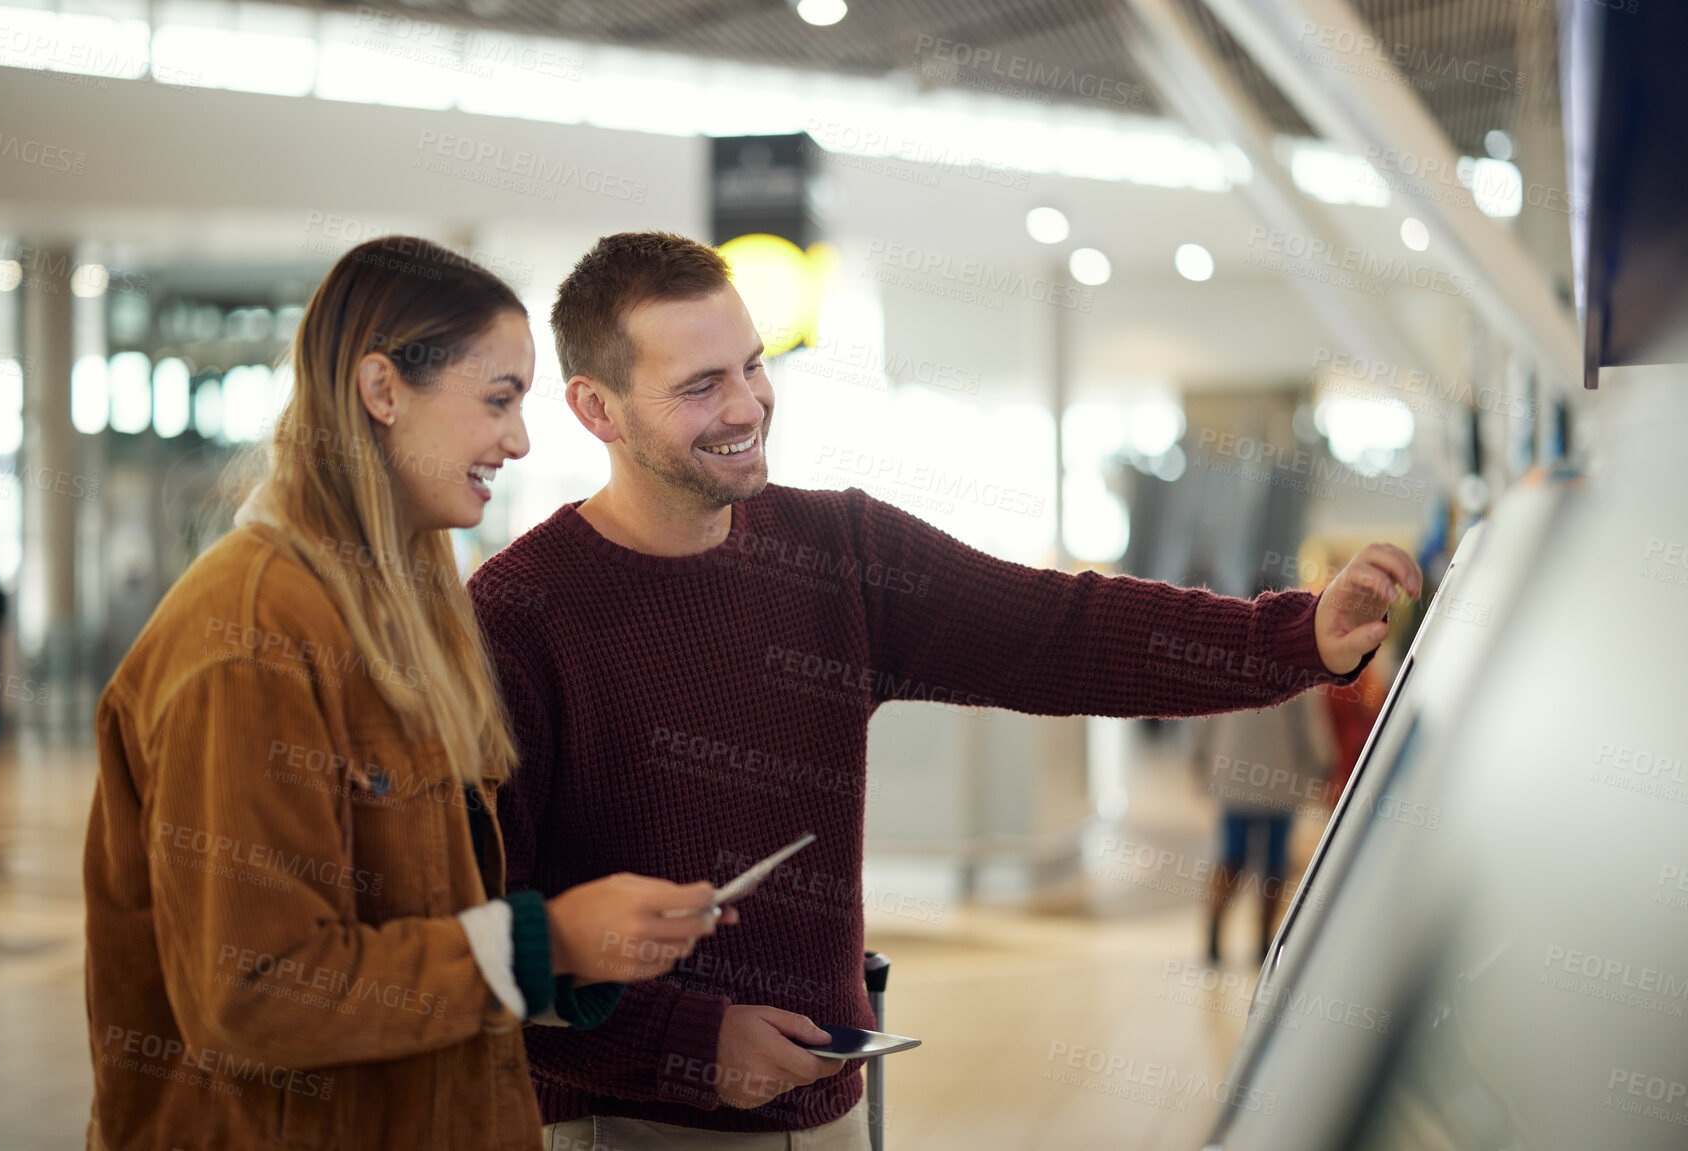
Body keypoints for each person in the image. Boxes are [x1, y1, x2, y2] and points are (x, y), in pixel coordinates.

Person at [467, 232, 1423, 1150]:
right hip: (628, 1126)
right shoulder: (517, 616)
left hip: (832, 1109)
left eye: (754, 366)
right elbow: (480, 947)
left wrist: (1296, 637)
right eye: (699, 385)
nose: (747, 406)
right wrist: (687, 1044)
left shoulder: (839, 550)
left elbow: (1062, 628)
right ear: (596, 408)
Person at [83, 237, 730, 1151]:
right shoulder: (250, 636)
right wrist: (546, 943)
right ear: (383, 390)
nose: (519, 438)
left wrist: (580, 952)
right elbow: (253, 992)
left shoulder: (398, 614)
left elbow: (415, 918)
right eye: (498, 399)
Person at [1192, 687, 1336, 964]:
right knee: (1274, 863)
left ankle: (1214, 935)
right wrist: (1321, 765)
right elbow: (1309, 724)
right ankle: (1263, 943)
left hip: (1234, 774)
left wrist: (1200, 758)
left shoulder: (1228, 659)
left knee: (1231, 857)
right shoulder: (1297, 667)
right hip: (1280, 778)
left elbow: (1205, 715)